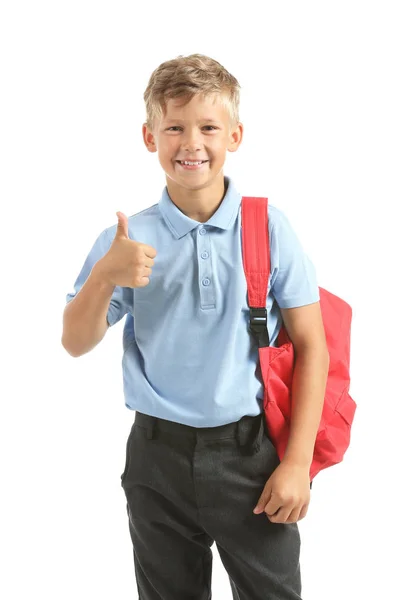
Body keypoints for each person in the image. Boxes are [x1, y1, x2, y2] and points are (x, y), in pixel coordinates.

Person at [62, 53, 329, 600]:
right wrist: (104, 279)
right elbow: (75, 341)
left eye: (208, 127)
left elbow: (312, 347)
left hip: (250, 456)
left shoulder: (269, 228)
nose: (192, 143)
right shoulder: (128, 237)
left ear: (235, 135)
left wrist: (297, 461)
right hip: (156, 455)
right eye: (174, 128)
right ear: (148, 136)